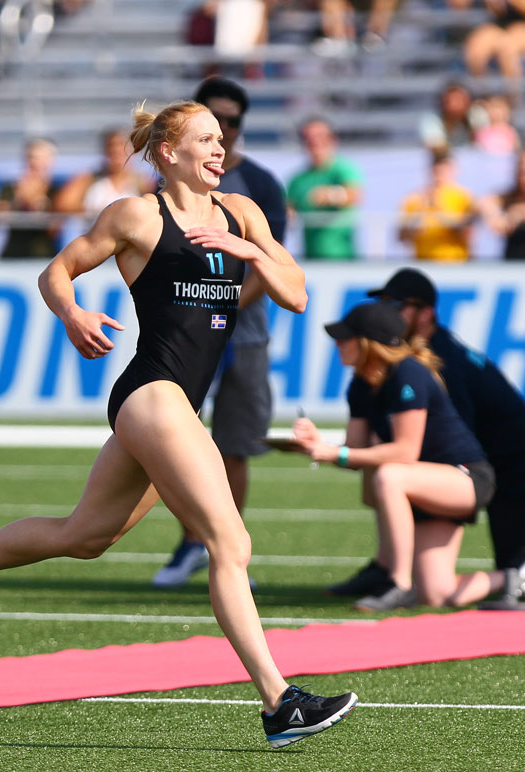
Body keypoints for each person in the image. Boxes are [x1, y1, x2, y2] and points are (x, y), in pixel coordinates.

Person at [0, 100, 357, 748]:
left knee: (85, 536)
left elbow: (296, 293)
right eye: (206, 140)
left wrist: (247, 247)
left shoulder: (239, 214)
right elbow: (57, 270)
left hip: (176, 407)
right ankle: (280, 703)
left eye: (221, 140)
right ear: (169, 152)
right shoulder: (138, 214)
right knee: (231, 544)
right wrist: (73, 313)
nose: (220, 151)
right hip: (151, 395)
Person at [151, 76, 287, 589]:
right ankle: (191, 542)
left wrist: (225, 305)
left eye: (230, 123)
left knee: (233, 444)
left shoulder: (259, 187)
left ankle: (225, 550)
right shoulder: (169, 186)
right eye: (212, 121)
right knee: (176, 444)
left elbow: (274, 266)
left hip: (244, 334)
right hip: (184, 339)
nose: (221, 132)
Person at [292, 300, 502, 611]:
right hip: (421, 483)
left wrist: (335, 453)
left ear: (368, 344)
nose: (337, 343)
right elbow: (355, 452)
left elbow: (405, 451)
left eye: (345, 337)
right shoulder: (361, 384)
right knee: (437, 594)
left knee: (390, 473)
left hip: (465, 477)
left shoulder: (409, 373)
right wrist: (317, 443)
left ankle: (397, 582)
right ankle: (513, 578)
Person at [286, 117, 362, 260]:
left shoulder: (343, 169)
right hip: (311, 258)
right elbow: (288, 212)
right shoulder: (297, 180)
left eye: (321, 137)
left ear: (333, 139)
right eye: (308, 138)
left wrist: (330, 195)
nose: (315, 142)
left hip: (343, 256)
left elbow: (354, 195)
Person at [396, 147, 477, 262]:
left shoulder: (464, 197)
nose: (439, 169)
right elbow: (401, 237)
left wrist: (440, 209)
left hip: (455, 264)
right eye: (436, 164)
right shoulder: (413, 199)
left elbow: (467, 235)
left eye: (444, 165)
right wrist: (420, 212)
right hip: (423, 263)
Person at [54, 128, 155, 218]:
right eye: (112, 151)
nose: (117, 156)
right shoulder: (89, 178)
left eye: (121, 152)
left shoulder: (142, 182)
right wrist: (96, 210)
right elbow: (62, 205)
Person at [0, 137, 63, 260]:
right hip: (13, 254)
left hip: (43, 255)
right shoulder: (11, 187)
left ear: (50, 161)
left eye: (39, 158)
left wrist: (35, 202)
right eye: (31, 157)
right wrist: (18, 200)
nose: (34, 163)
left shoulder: (57, 190)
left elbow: (55, 229)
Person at [453, 0, 525, 79]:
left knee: (507, 46)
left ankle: (512, 100)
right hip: (499, 25)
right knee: (477, 46)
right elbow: (459, 5)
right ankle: (484, 99)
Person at [418, 81, 476, 150]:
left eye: (459, 100)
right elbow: (436, 148)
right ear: (443, 103)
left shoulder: (474, 117)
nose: (455, 105)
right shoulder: (430, 120)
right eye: (451, 101)